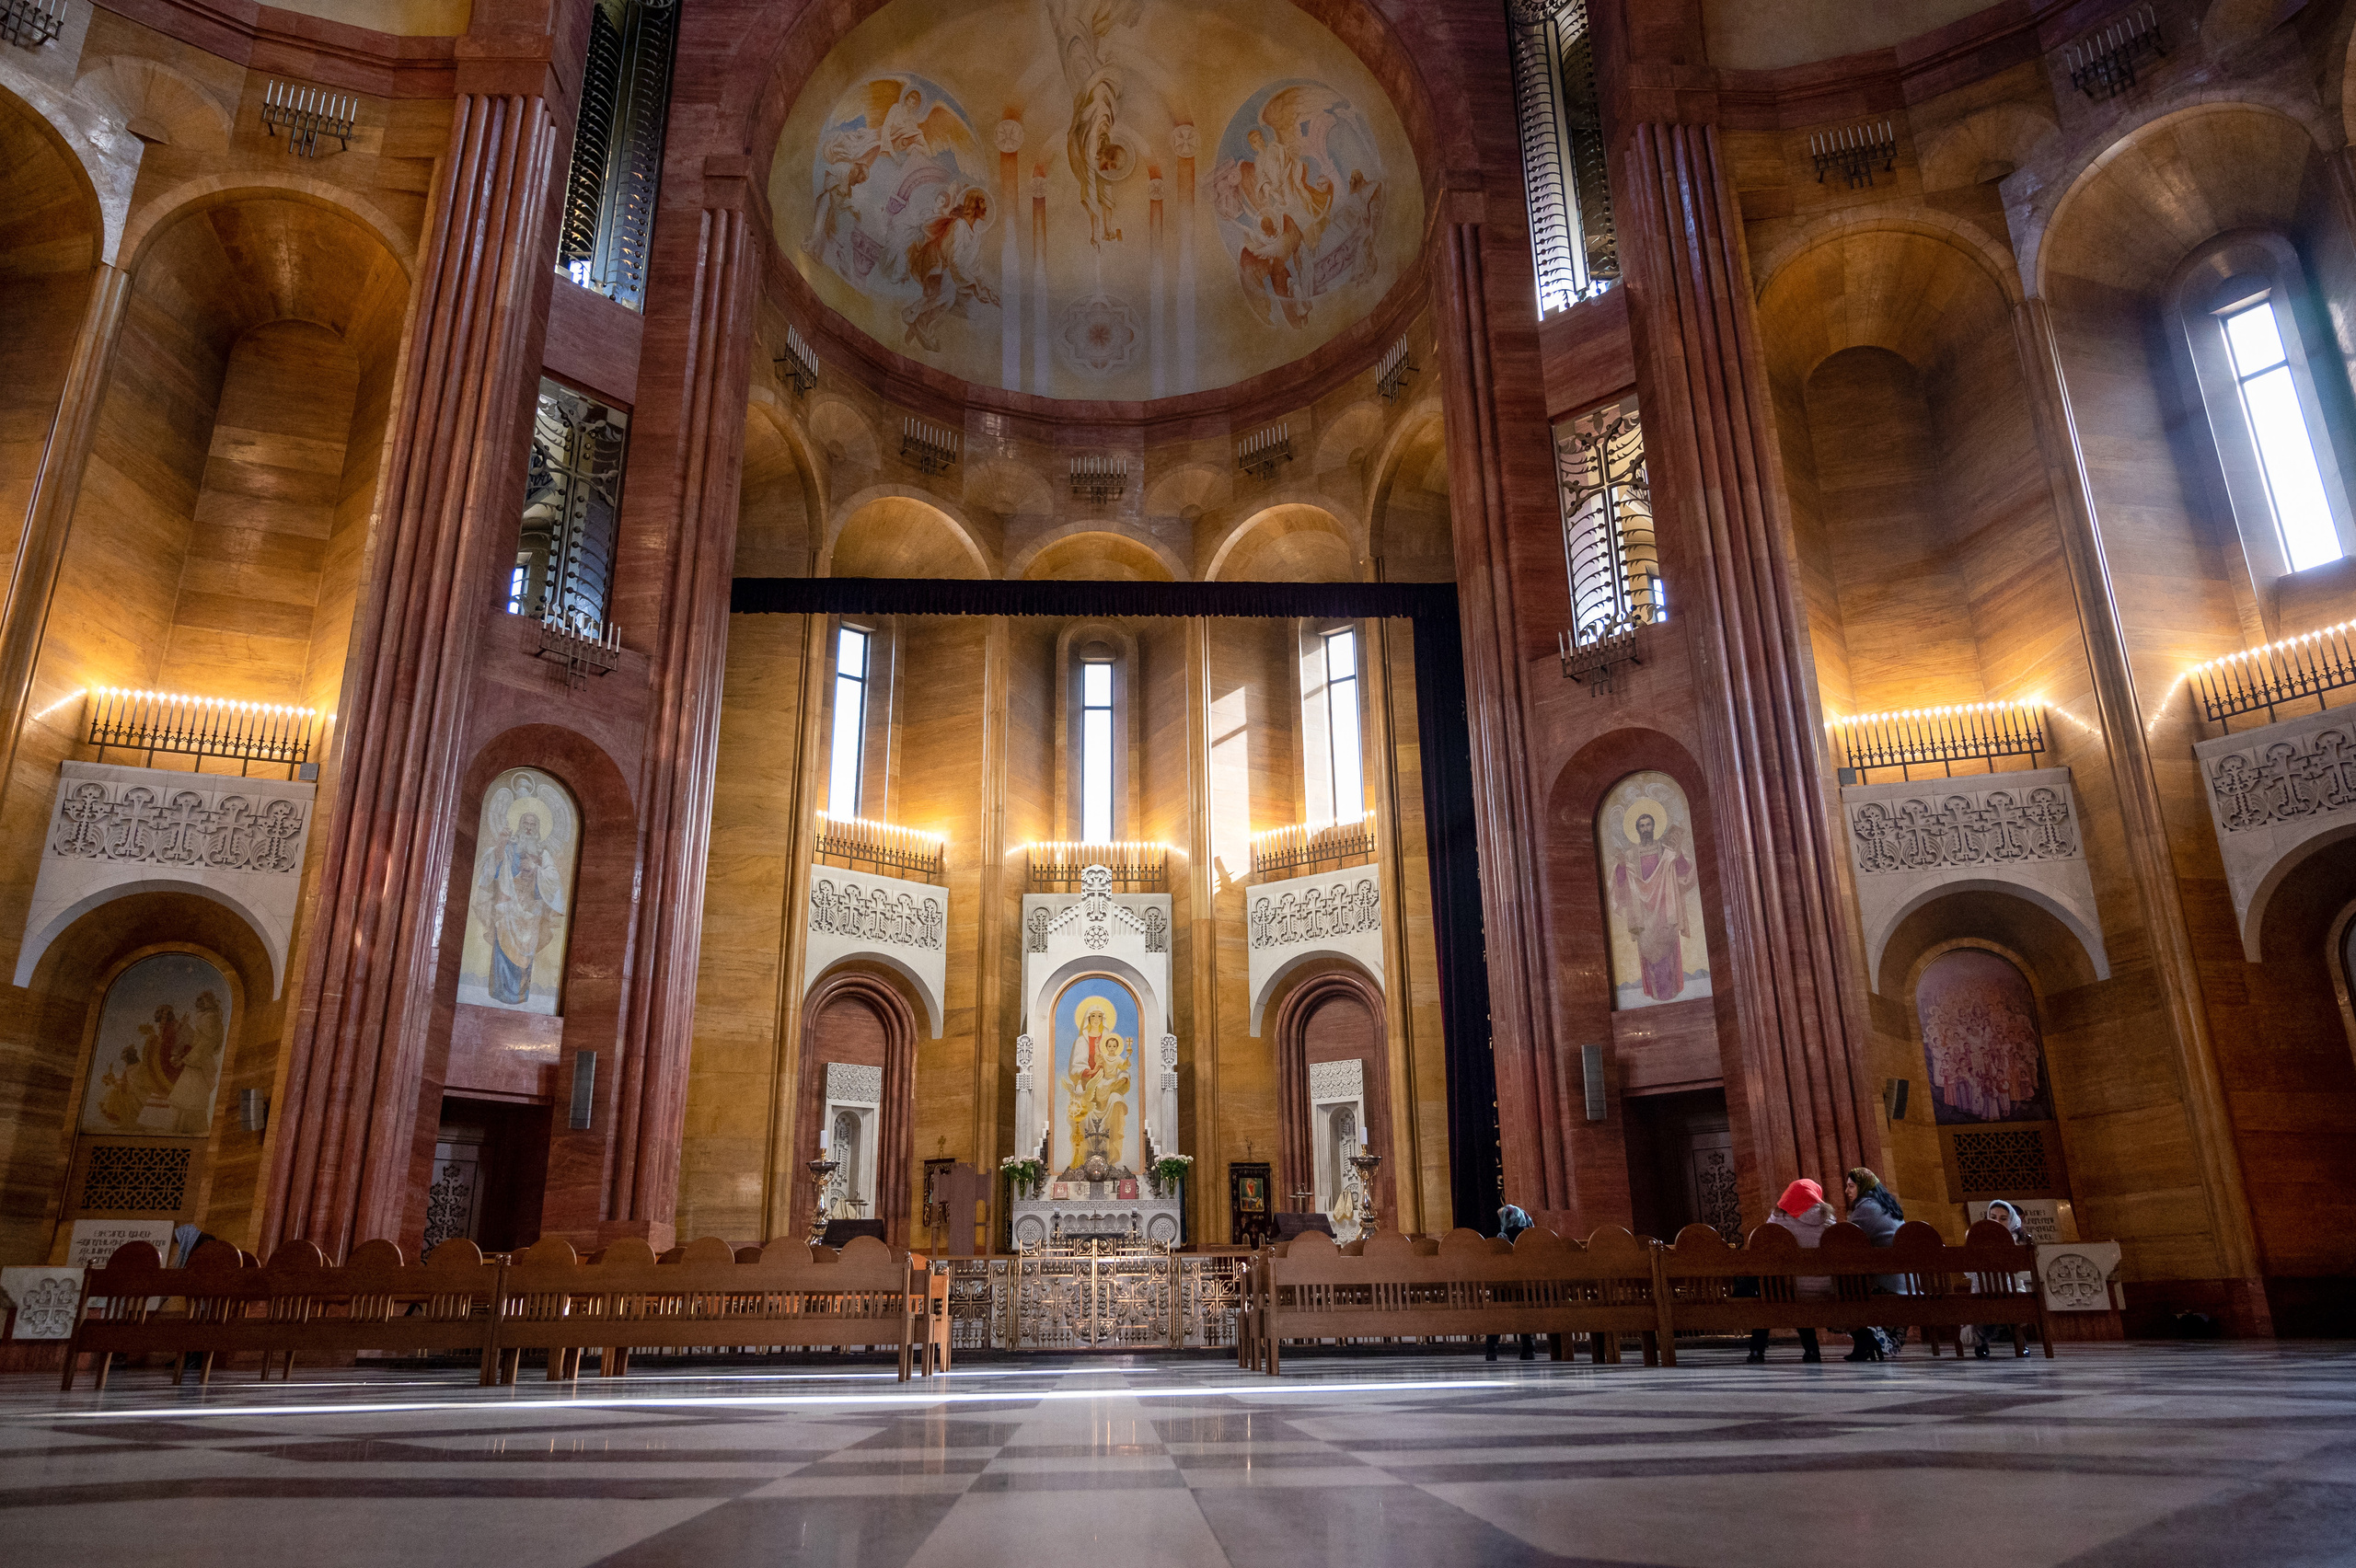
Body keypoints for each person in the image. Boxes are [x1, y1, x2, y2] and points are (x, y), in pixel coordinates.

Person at [1747, 1178, 1833, 1365]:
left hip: (1788, 1287)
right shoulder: (1829, 1220)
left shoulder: (1778, 1220)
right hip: (1825, 1286)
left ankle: (1756, 1350)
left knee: (1769, 1293)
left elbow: (1763, 1249)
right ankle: (1812, 1351)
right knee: (1795, 1286)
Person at [1842, 1168, 1905, 1362]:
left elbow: (1846, 1241)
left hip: (1889, 1284)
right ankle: (1865, 1342)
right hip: (1905, 1281)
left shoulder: (1866, 1208)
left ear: (1863, 1187)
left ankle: (1865, 1340)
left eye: (1851, 1186)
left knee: (1841, 1290)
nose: (1846, 1191)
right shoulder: (1886, 1205)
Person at [1974, 1199, 2037, 1358]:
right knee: (1982, 1297)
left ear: (2011, 1220)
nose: (1997, 1222)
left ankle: (2019, 1339)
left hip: (2012, 1291)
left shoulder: (2019, 1240)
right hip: (1984, 1292)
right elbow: (1969, 1272)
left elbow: (2027, 1274)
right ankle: (1981, 1340)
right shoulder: (1978, 1240)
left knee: (2006, 1299)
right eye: (1993, 1217)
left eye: (2003, 1219)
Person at [1486, 1203, 1536, 1363]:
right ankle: (1529, 1349)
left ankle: (1491, 1350)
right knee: (1526, 1309)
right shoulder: (1534, 1237)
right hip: (1529, 1288)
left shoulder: (1502, 1238)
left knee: (1496, 1311)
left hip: (1504, 1288)